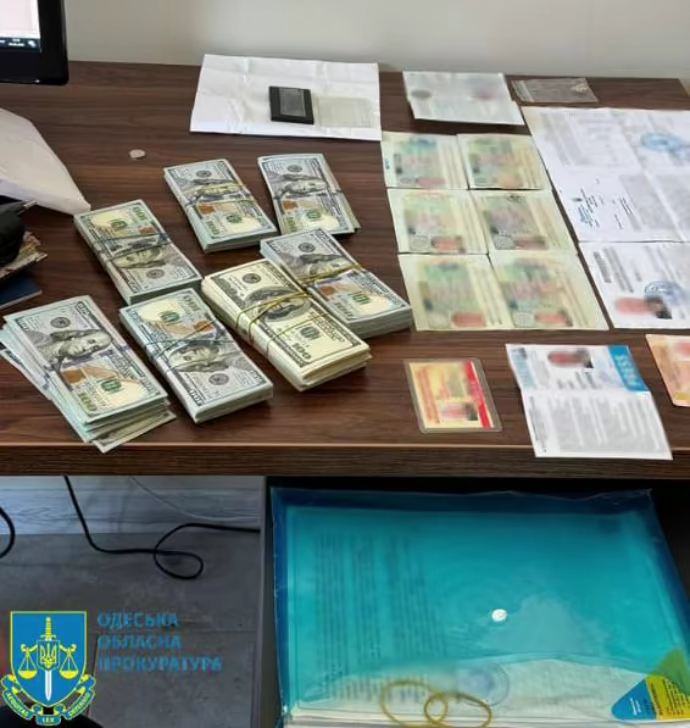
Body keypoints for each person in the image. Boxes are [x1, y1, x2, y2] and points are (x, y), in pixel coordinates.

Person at [25, 329, 112, 365]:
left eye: (94, 348)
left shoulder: (55, 366)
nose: (86, 348)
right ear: (76, 336)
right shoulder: (35, 337)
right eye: (90, 341)